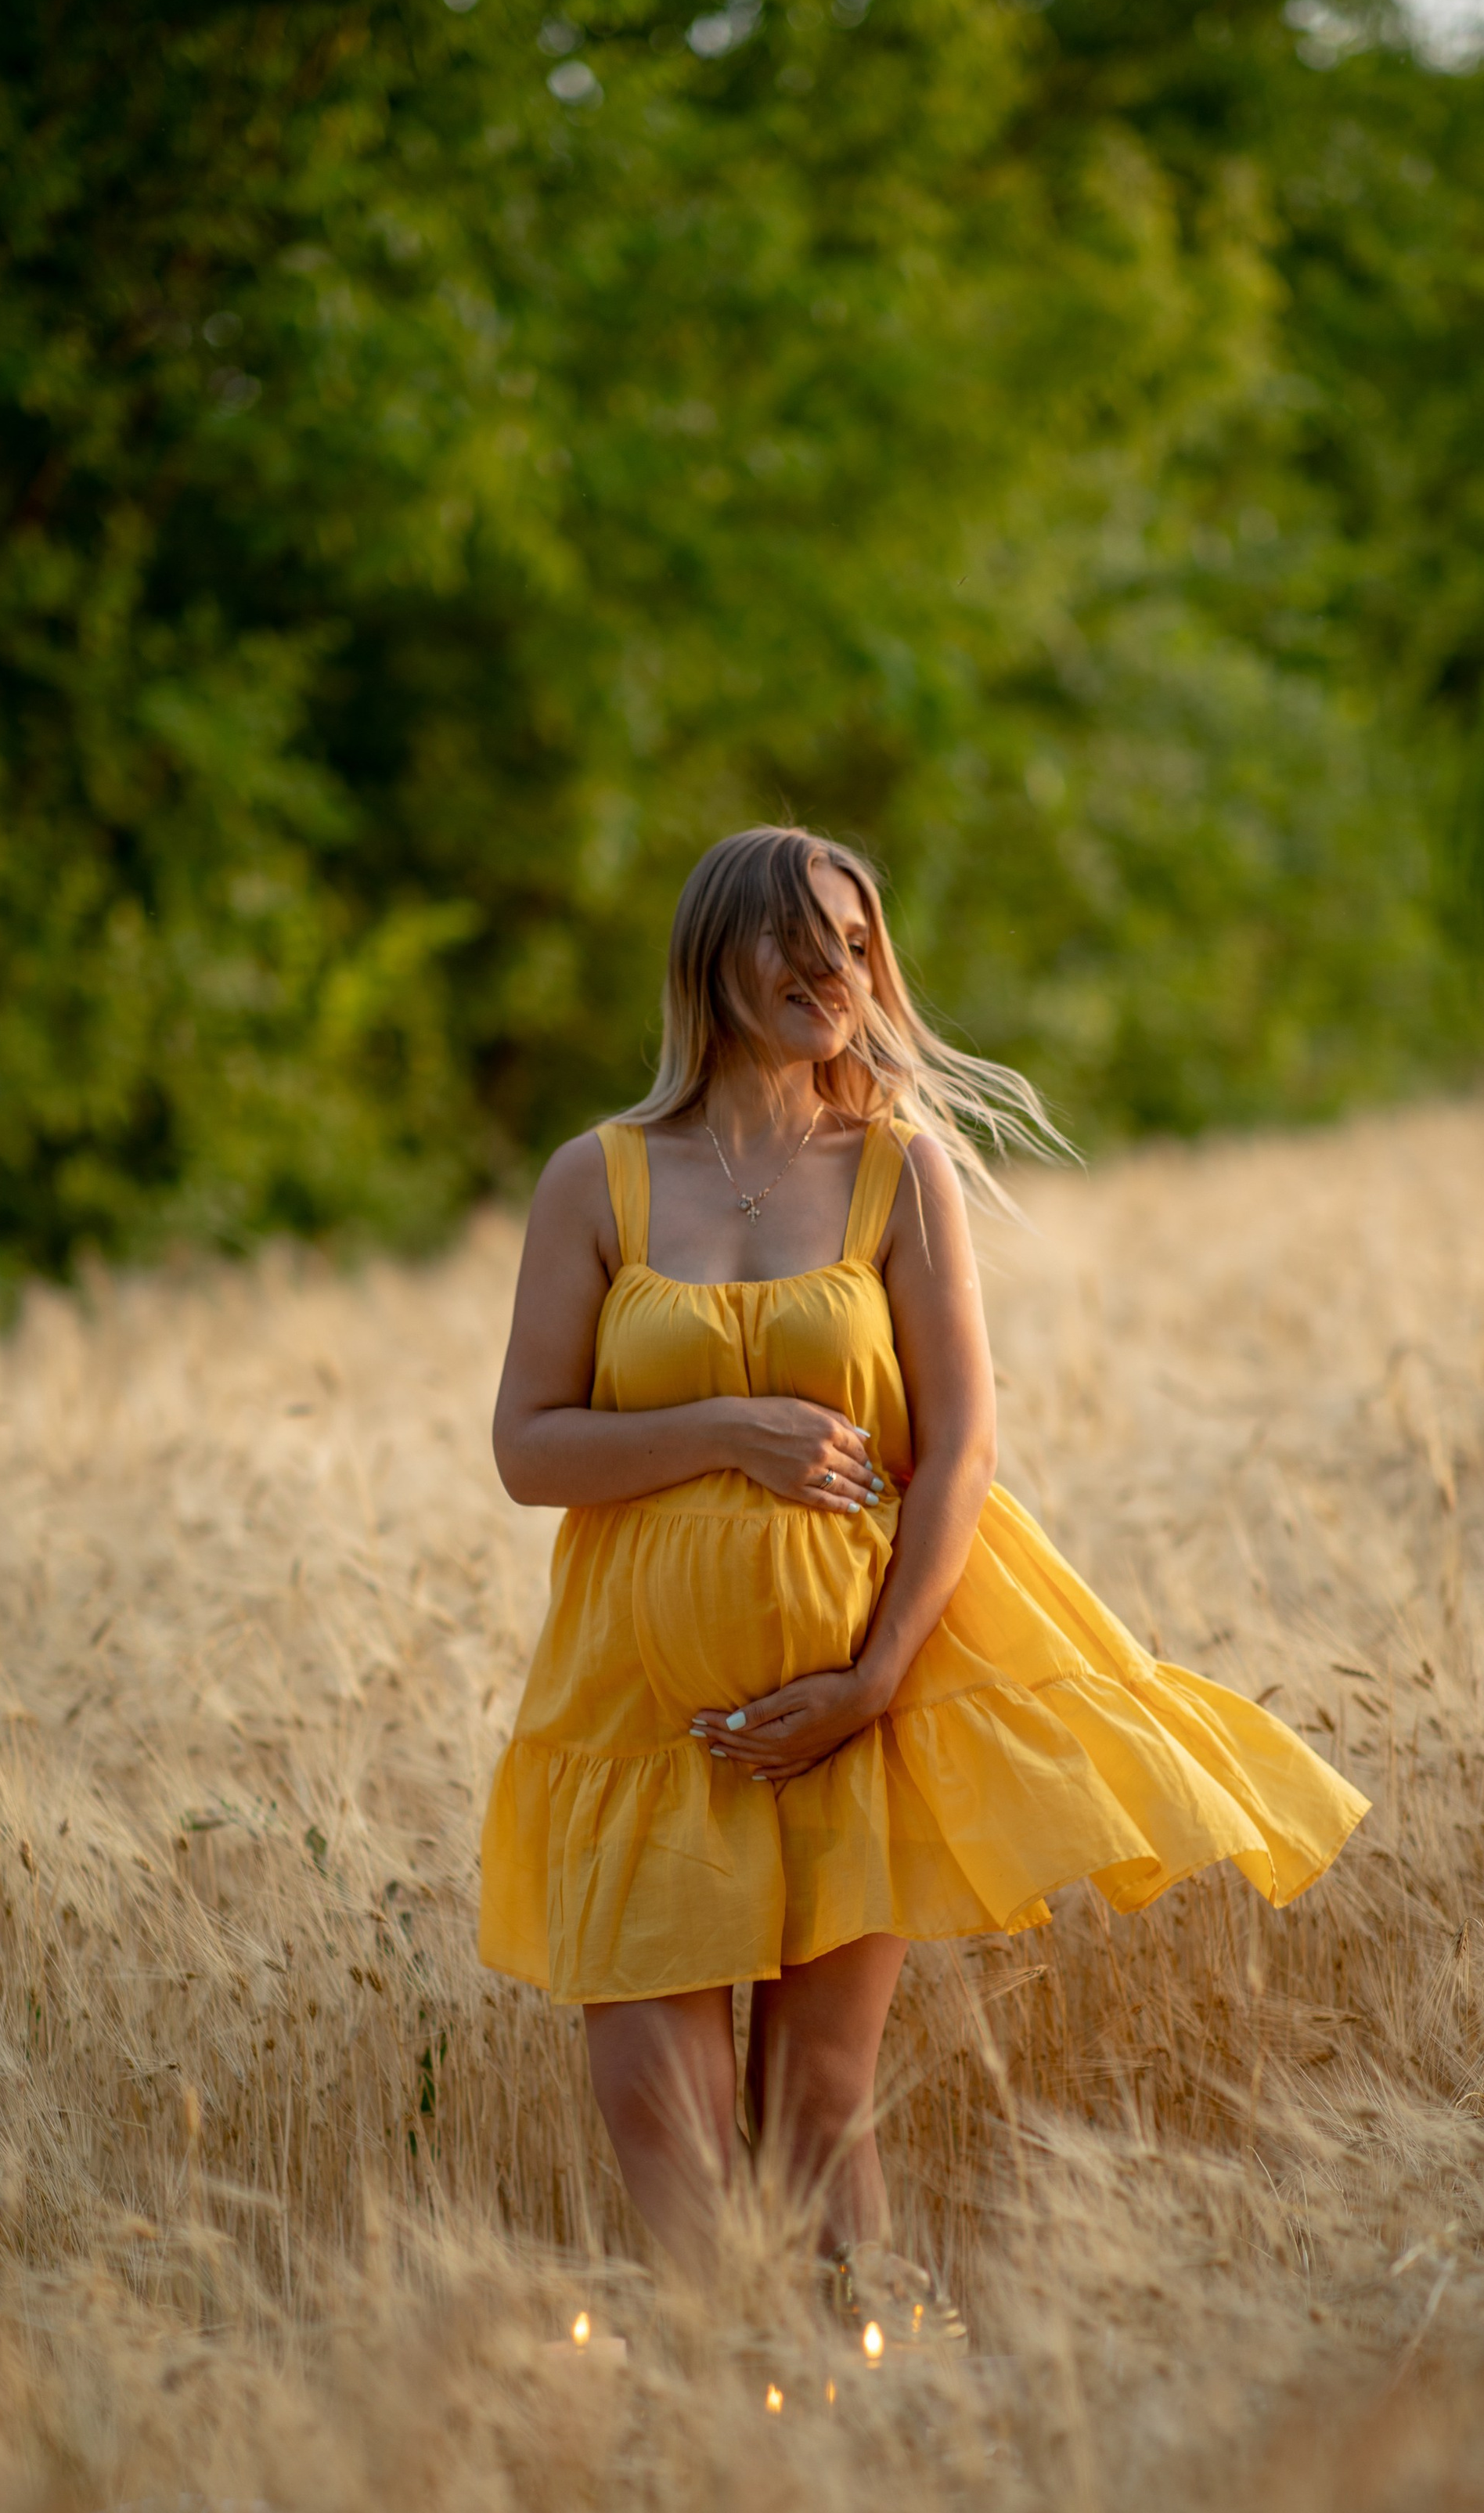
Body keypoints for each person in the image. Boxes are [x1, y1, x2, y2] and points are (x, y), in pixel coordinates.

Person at [481, 827, 1366, 2294]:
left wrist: (874, 1680)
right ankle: (740, 2424)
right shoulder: (600, 1180)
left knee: (818, 2118)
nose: (828, 969)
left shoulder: (898, 1173)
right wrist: (730, 1429)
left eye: (851, 941)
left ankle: (872, 2438)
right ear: (714, 954)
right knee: (661, 2115)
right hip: (643, 1713)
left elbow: (960, 1452)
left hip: (853, 1708)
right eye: (792, 939)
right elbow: (528, 1449)